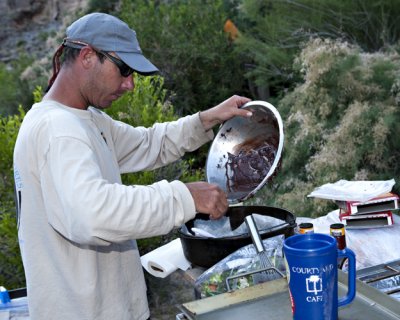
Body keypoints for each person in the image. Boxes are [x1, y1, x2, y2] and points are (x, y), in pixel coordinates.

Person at [13, 12, 252, 320]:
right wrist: (185, 197)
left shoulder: (85, 120)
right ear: (87, 56)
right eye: (124, 70)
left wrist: (207, 119)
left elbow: (147, 144)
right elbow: (94, 214)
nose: (130, 85)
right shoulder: (59, 130)